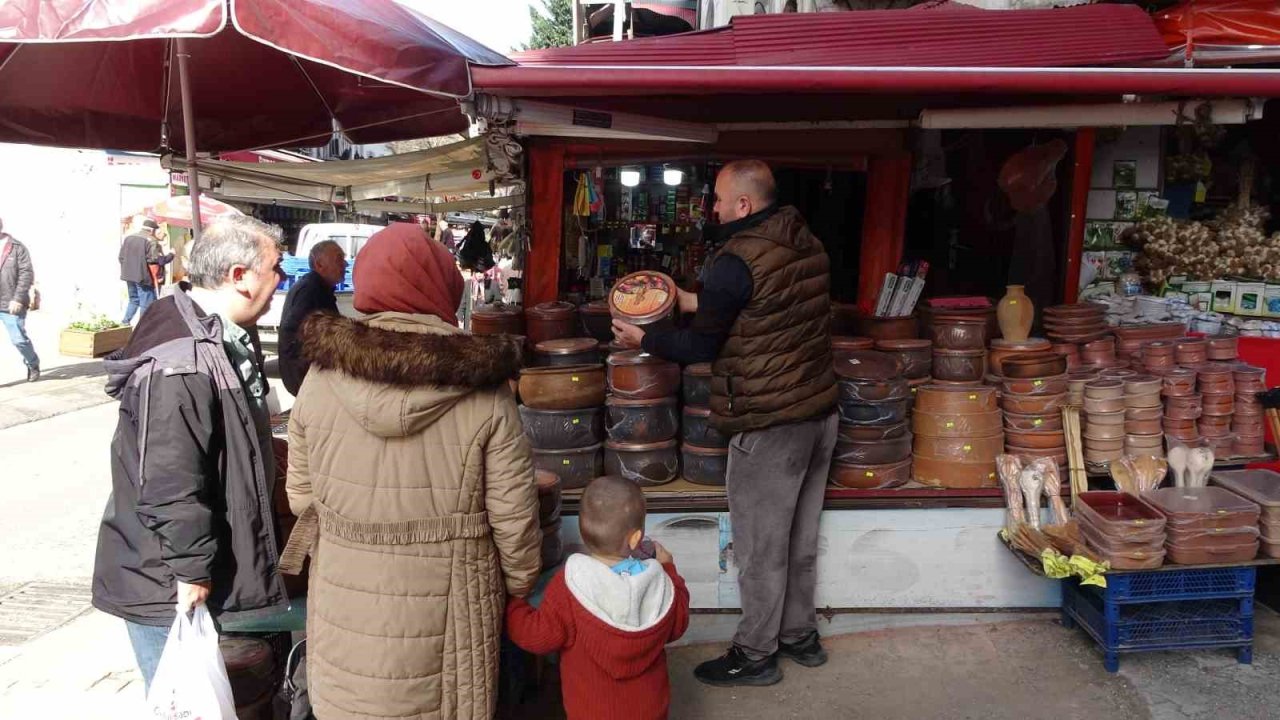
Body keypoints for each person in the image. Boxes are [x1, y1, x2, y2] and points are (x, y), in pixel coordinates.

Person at [283, 222, 540, 720]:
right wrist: (519, 584)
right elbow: (516, 525)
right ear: (443, 288)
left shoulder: (319, 379)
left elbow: (300, 497)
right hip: (452, 607)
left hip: (344, 602)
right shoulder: (486, 391)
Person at [612, 160, 837, 687]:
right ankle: (799, 636)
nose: (710, 207)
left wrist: (643, 340)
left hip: (770, 423)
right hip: (819, 415)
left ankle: (757, 653)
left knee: (760, 550)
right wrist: (682, 299)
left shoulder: (735, 260)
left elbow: (699, 347)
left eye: (716, 198)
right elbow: (758, 307)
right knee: (800, 544)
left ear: (743, 205)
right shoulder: (804, 241)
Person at [92, 215, 290, 691]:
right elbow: (169, 479)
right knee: (187, 700)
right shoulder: (182, 361)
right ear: (238, 276)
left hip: (183, 571)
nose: (280, 280)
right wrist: (191, 568)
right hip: (169, 583)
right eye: (274, 268)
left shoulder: (206, 332)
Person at [506, 476, 690, 720]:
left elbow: (540, 636)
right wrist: (669, 570)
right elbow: (678, 624)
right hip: (649, 710)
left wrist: (514, 606)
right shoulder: (659, 584)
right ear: (635, 538)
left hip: (590, 711)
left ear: (583, 533)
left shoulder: (571, 584)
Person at [278, 240, 346, 396]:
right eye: (339, 259)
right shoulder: (311, 289)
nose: (345, 265)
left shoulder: (317, 287)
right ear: (319, 264)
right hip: (307, 379)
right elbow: (291, 332)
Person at [0, 218, 39, 382]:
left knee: (19, 340)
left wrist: (17, 298)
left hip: (10, 303)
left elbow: (26, 274)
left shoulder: (16, 248)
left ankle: (33, 363)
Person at [119, 218, 172, 324]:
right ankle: (143, 327)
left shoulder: (128, 238)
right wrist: (171, 255)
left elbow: (121, 257)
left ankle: (125, 322)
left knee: (133, 300)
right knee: (146, 303)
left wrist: (129, 269)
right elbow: (156, 260)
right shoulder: (151, 241)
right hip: (143, 277)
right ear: (152, 230)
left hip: (128, 275)